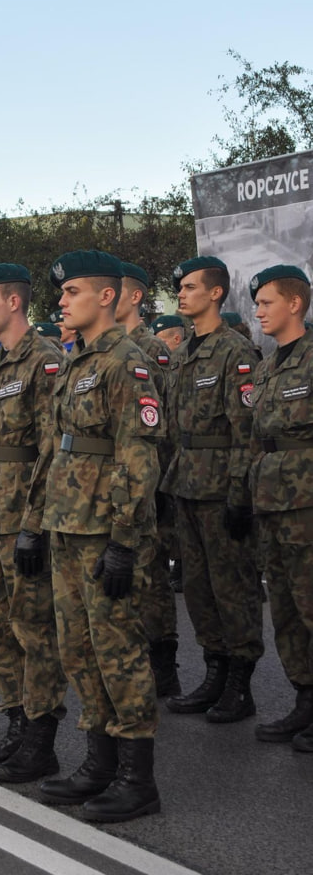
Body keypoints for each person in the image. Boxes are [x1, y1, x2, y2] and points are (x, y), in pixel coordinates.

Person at [39, 250, 162, 823]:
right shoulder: (77, 361)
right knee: (79, 649)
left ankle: (138, 780)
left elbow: (138, 457)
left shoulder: (125, 363)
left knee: (119, 650)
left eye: (72, 293)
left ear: (106, 297)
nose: (62, 302)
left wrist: (123, 537)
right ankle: (99, 763)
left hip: (104, 530)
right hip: (68, 523)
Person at [0, 263, 68, 783]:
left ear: (14, 303)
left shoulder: (43, 361)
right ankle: (14, 723)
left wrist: (35, 525)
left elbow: (52, 451)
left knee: (33, 630)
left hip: (20, 519)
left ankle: (40, 739)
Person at [164, 256, 264, 723]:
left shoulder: (234, 352)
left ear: (216, 293)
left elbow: (246, 430)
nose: (181, 294)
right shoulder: (184, 353)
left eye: (189, 287)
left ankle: (240, 685)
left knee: (233, 588)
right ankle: (214, 672)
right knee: (200, 590)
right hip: (187, 483)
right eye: (179, 288)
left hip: (221, 487)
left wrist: (240, 495)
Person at [248, 266, 313, 751]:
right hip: (272, 502)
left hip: (307, 504)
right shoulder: (270, 364)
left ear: (295, 304)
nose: (259, 311)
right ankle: (305, 701)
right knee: (287, 611)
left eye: (267, 302)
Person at [116, 262, 179, 696]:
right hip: (111, 485)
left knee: (151, 577)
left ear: (134, 296)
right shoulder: (104, 348)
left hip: (145, 477)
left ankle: (164, 663)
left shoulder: (149, 348)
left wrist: (157, 488)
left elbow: (159, 422)